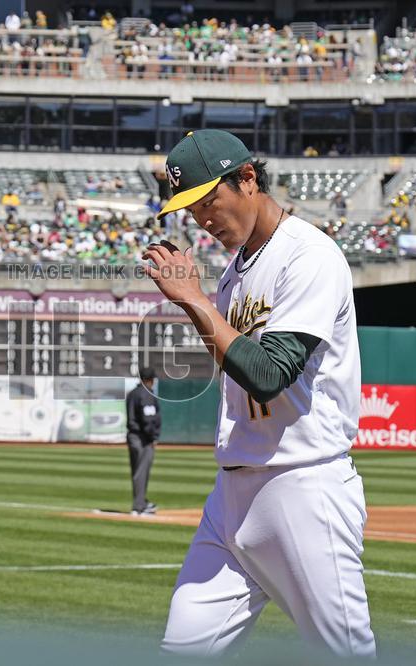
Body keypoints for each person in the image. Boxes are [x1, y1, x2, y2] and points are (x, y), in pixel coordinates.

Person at [145, 130, 375, 658]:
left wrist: (194, 302)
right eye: (191, 209)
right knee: (183, 647)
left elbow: (270, 374)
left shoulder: (309, 256)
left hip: (300, 484)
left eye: (208, 201)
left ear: (247, 179)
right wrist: (203, 302)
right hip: (232, 494)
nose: (202, 219)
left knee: (345, 653)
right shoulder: (234, 275)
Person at [125, 367, 160, 515]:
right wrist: (153, 436)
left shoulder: (133, 393)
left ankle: (141, 502)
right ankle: (139, 506)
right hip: (143, 438)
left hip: (133, 436)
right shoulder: (146, 394)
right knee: (141, 472)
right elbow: (148, 418)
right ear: (150, 380)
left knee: (137, 471)